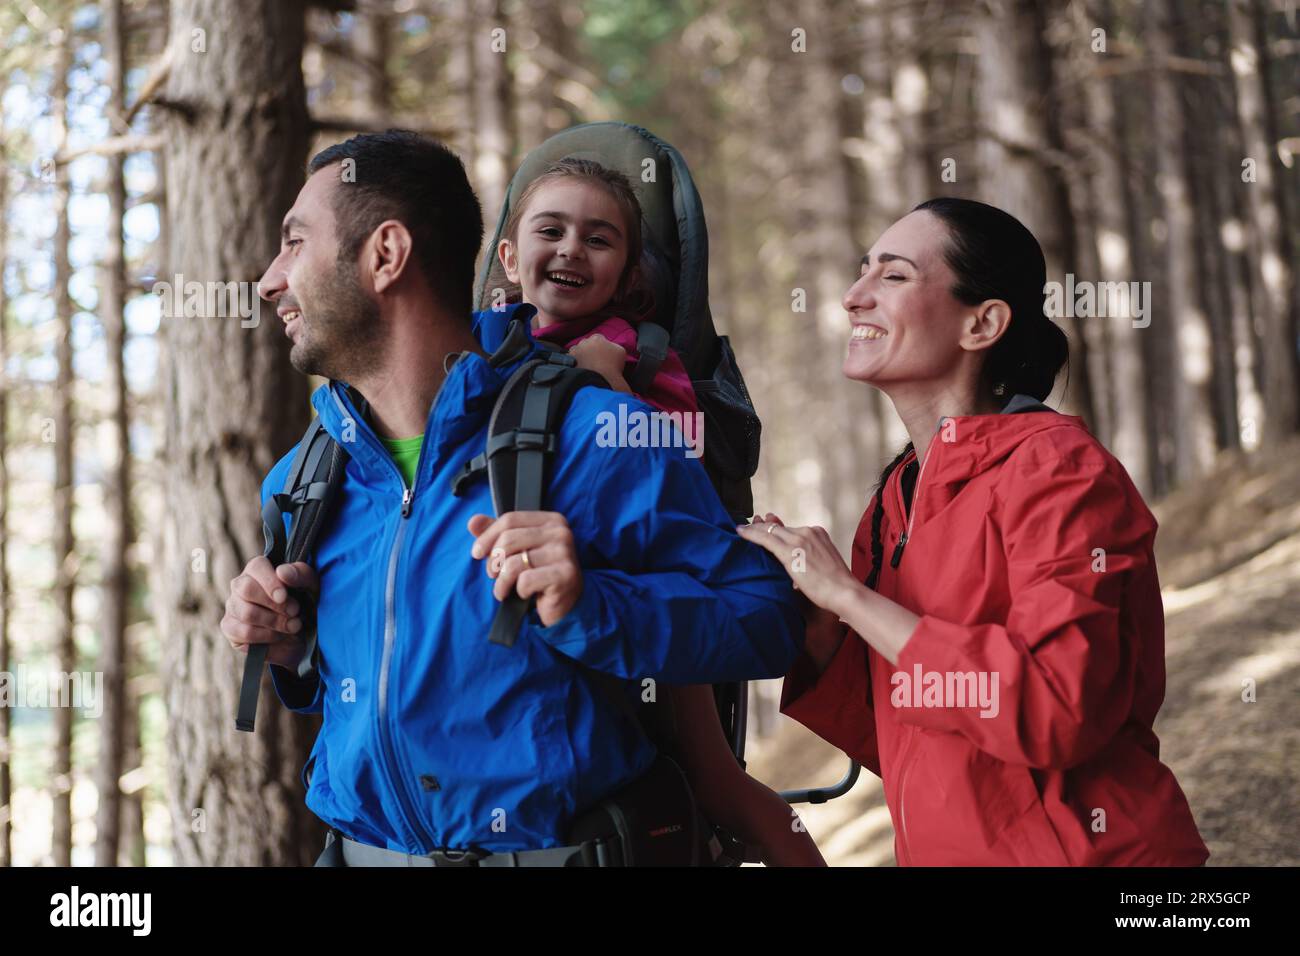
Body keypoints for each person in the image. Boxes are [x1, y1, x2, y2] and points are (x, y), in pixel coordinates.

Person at [219, 130, 803, 864]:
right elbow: (353, 680)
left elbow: (766, 619)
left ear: (385, 255)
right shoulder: (306, 479)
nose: (270, 280)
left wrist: (595, 605)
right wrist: (286, 643)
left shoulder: (598, 433)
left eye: (294, 243)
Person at [738, 197, 1210, 866]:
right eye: (861, 270)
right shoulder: (894, 501)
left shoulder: (1058, 470)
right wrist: (822, 636)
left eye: (893, 276)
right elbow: (913, 734)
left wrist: (850, 597)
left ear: (982, 323)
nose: (853, 296)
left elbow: (1055, 710)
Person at [476, 157, 825, 865]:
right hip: (544, 608)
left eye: (599, 239)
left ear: (630, 273)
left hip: (652, 595)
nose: (572, 248)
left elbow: (672, 464)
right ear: (510, 257)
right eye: (552, 230)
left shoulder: (640, 354)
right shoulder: (485, 353)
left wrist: (607, 381)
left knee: (716, 781)